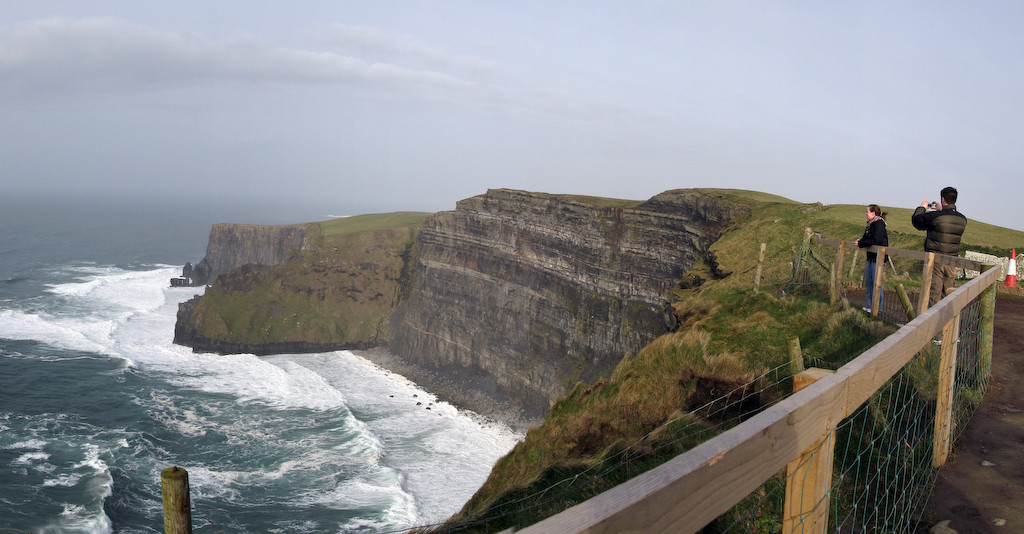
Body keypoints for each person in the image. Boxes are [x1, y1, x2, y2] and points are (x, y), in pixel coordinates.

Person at [911, 186, 967, 306]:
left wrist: (922, 207)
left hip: (935, 259)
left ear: (942, 199)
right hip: (952, 260)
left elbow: (917, 221)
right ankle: (946, 322)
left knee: (933, 292)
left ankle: (931, 322)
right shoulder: (962, 219)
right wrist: (942, 210)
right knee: (948, 293)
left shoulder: (936, 217)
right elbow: (946, 222)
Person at [855, 204, 889, 312]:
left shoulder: (879, 224)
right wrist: (861, 241)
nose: (866, 213)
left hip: (878, 258)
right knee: (869, 282)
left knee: (876, 283)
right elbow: (867, 238)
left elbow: (876, 240)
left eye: (867, 211)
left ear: (873, 213)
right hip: (871, 258)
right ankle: (870, 306)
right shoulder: (870, 224)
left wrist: (861, 243)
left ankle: (877, 309)